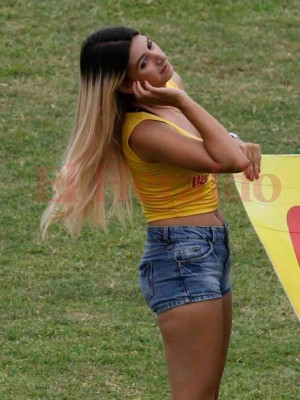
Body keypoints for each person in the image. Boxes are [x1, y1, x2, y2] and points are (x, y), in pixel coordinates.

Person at [41, 26, 261, 400]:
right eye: (144, 61)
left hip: (209, 251)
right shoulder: (142, 131)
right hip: (183, 259)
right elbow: (228, 160)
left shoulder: (168, 88)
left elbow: (224, 146)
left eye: (151, 45)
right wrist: (183, 103)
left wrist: (233, 137)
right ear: (129, 86)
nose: (159, 58)